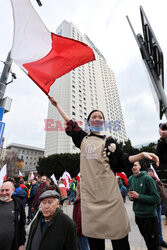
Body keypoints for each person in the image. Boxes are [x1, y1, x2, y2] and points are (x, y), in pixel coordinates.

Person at [49, 96, 159, 250]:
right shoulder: (82, 138)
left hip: (110, 198)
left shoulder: (110, 141)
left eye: (100, 117)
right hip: (91, 200)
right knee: (95, 243)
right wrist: (57, 105)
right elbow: (70, 122)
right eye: (94, 116)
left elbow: (123, 159)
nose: (97, 118)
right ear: (88, 122)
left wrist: (141, 155)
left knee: (120, 239)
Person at [128, 162, 161, 250]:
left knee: (153, 244)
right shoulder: (130, 178)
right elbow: (131, 194)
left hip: (149, 217)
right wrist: (131, 197)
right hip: (138, 216)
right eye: (132, 166)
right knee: (147, 241)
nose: (133, 167)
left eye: (135, 165)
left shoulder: (147, 178)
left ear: (140, 166)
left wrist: (139, 196)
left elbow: (157, 199)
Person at [0, 180, 26, 250]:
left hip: (12, 246)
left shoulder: (18, 204)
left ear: (13, 190)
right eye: (2, 190)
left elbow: (22, 225)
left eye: (7, 190)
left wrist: (21, 244)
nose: (4, 193)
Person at [147, 168, 167, 249]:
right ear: (147, 173)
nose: (151, 173)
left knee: (158, 223)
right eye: (149, 172)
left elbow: (163, 186)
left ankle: (160, 240)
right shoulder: (146, 181)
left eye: (152, 172)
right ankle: (155, 243)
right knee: (153, 224)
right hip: (151, 206)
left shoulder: (156, 181)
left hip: (158, 205)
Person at [73, 182, 89, 250]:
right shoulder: (82, 201)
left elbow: (80, 218)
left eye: (77, 188)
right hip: (82, 231)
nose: (76, 189)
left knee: (83, 247)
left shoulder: (80, 202)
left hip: (81, 232)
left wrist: (76, 230)